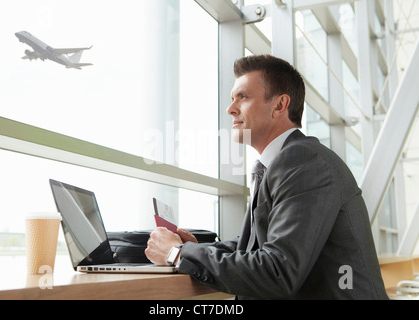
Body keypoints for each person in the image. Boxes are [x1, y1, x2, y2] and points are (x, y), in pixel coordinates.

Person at [145, 54, 388, 300]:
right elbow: (254, 246)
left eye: (244, 97)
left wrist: (177, 253)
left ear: (280, 106)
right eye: (232, 99)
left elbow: (277, 271)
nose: (231, 109)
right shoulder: (284, 162)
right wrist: (194, 249)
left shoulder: (304, 162)